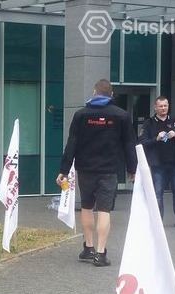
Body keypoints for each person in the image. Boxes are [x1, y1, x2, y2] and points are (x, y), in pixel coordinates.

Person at [57, 79, 137, 267]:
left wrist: (63, 170)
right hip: (109, 170)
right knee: (104, 210)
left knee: (86, 206)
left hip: (85, 169)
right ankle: (100, 254)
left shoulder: (81, 115)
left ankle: (88, 248)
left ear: (94, 92)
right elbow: (129, 145)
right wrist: (132, 169)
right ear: (111, 95)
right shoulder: (122, 116)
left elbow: (72, 144)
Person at [138, 96, 175, 228]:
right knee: (157, 194)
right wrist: (156, 139)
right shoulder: (149, 123)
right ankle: (158, 222)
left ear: (168, 106)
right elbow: (141, 142)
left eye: (165, 106)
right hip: (158, 164)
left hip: (174, 163)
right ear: (155, 107)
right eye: (160, 106)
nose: (163, 108)